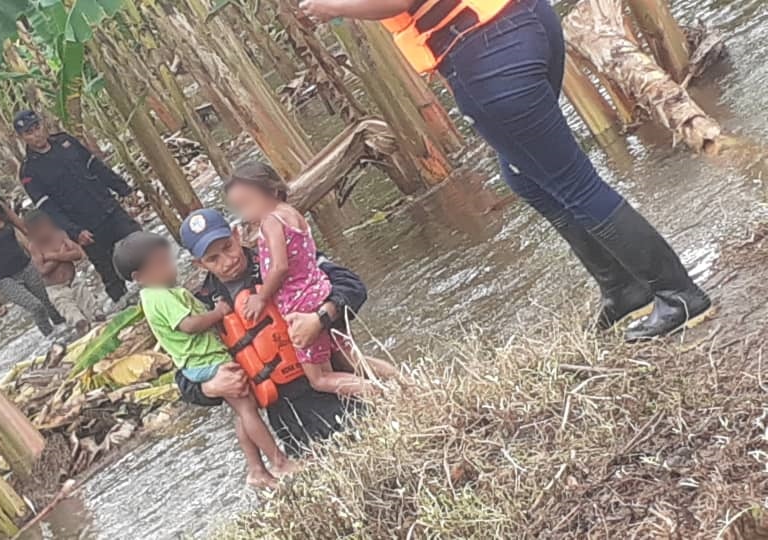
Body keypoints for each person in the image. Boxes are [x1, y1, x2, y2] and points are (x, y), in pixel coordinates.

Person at [298, 0, 711, 341]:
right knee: (525, 176)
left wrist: (332, 7)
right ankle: (623, 288)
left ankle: (679, 296)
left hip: (487, 51)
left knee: (574, 185)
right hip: (524, 21)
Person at [177, 208, 371, 457]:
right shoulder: (203, 306)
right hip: (289, 419)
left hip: (336, 383)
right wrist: (209, 387)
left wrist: (320, 318)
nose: (227, 261)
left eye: (228, 247)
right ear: (199, 264)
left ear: (236, 235)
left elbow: (352, 285)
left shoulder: (278, 258)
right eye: (213, 259)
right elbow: (184, 375)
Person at [113, 231, 299, 489]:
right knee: (247, 410)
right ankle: (279, 462)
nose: (171, 268)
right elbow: (189, 326)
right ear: (139, 277)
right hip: (207, 362)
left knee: (243, 412)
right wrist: (219, 312)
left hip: (205, 361)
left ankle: (256, 470)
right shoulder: (159, 297)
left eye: (168, 260)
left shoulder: (160, 294)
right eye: (161, 265)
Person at [225, 161, 379, 395]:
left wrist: (261, 297)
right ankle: (403, 381)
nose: (245, 214)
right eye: (240, 208)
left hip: (299, 305)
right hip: (319, 291)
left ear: (272, 191)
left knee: (320, 378)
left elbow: (279, 266)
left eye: (248, 203)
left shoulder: (271, 221)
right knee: (352, 357)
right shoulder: (291, 214)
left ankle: (380, 393)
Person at [15, 110, 141, 306]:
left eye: (37, 127)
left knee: (140, 245)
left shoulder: (66, 142)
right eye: (29, 132)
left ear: (43, 124)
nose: (36, 134)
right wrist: (75, 232)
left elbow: (97, 167)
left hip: (108, 208)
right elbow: (49, 209)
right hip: (85, 227)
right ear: (22, 137)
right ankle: (127, 307)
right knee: (109, 272)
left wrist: (124, 189)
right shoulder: (29, 171)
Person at [0, 179, 63, 336]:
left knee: (49, 303)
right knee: (36, 307)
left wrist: (50, 241)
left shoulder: (1, 208)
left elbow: (24, 229)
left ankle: (67, 331)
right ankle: (52, 338)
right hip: (4, 278)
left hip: (25, 265)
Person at [25, 210, 98, 336]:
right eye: (38, 231)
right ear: (31, 234)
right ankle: (83, 330)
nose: (43, 232)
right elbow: (42, 270)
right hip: (57, 290)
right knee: (77, 319)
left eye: (45, 227)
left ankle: (99, 322)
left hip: (74, 281)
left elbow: (78, 254)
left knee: (94, 311)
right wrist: (62, 255)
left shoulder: (60, 235)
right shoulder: (34, 247)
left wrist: (53, 256)